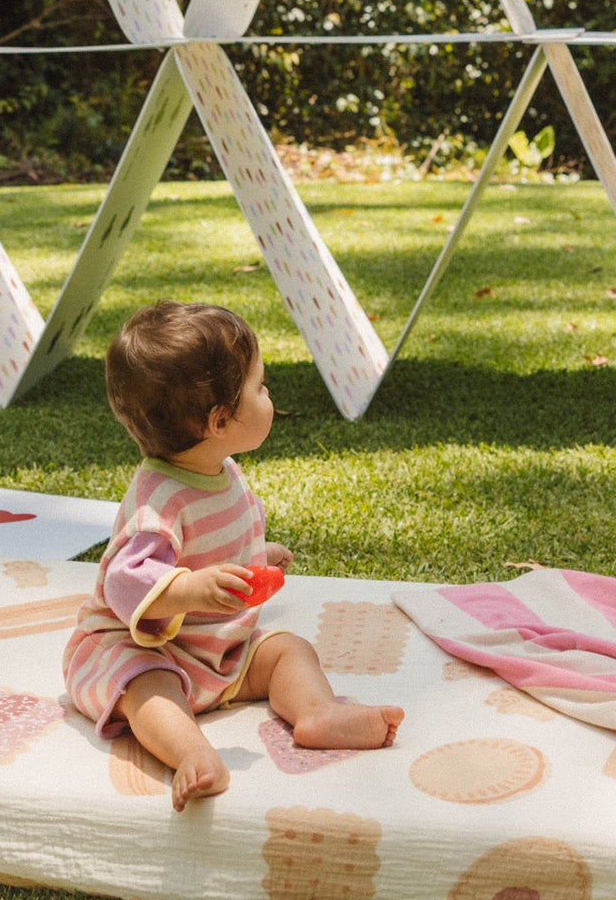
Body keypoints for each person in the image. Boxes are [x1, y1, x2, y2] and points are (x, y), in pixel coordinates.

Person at [63, 300, 404, 811]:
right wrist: (191, 589)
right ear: (220, 420)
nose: (269, 396)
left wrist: (253, 555)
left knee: (288, 650)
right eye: (260, 387)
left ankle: (317, 712)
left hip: (218, 648)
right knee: (146, 689)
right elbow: (124, 580)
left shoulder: (220, 470)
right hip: (141, 648)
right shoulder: (158, 498)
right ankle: (192, 753)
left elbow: (210, 544)